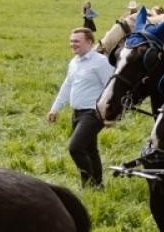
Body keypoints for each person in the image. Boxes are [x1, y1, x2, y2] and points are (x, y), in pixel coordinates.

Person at [46, 27, 115, 187]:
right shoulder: (74, 62)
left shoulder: (100, 62)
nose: (72, 44)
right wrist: (55, 108)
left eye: (76, 41)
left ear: (89, 42)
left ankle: (88, 184)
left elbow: (111, 87)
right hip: (76, 112)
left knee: (75, 147)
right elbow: (67, 85)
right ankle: (98, 185)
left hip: (94, 113)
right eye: (71, 41)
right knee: (90, 149)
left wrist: (110, 115)